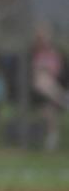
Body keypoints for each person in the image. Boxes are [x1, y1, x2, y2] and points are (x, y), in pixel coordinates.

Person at [30, 21, 68, 151]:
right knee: (42, 79)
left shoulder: (55, 53)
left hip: (51, 91)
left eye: (44, 36)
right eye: (40, 37)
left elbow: (58, 72)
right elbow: (33, 73)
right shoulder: (33, 52)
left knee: (49, 109)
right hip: (36, 91)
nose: (42, 39)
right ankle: (64, 99)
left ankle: (52, 138)